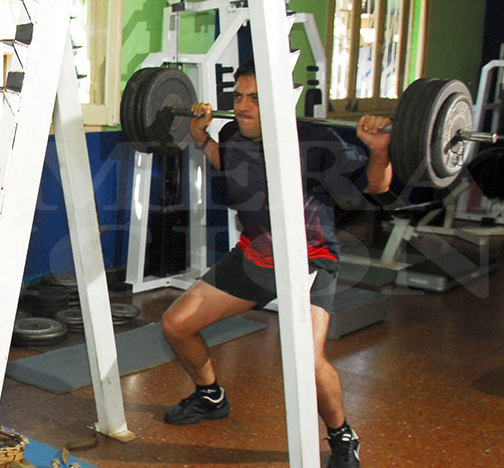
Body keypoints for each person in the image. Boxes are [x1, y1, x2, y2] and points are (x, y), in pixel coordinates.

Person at [160, 59, 392, 468]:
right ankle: (210, 396)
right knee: (176, 324)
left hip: (310, 259)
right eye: (239, 96)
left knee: (306, 357)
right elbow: (228, 161)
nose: (242, 106)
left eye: (255, 98)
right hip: (256, 254)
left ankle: (342, 434)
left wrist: (378, 151)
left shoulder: (314, 141)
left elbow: (377, 184)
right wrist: (201, 139)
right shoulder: (231, 133)